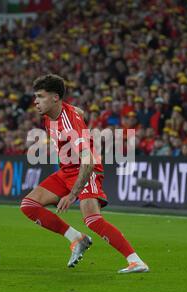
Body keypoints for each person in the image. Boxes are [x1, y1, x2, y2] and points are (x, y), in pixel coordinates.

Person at [20, 74, 149, 273]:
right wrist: (78, 114)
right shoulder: (51, 115)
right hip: (67, 171)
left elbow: (87, 160)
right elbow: (77, 110)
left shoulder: (70, 124)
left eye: (40, 96)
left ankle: (136, 261)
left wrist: (72, 195)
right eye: (35, 96)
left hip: (86, 170)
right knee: (28, 205)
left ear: (55, 98)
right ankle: (76, 238)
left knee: (92, 219)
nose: (35, 101)